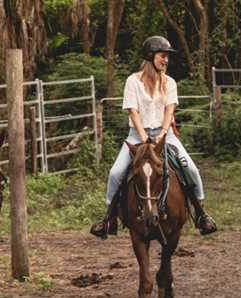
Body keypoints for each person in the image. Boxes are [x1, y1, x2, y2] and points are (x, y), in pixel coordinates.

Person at [90, 36, 217, 238]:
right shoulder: (133, 81)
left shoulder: (170, 83)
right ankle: (108, 219)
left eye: (167, 57)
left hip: (164, 135)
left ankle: (202, 214)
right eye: (162, 56)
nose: (165, 60)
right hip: (136, 136)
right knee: (115, 173)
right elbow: (133, 112)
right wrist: (144, 138)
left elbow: (169, 111)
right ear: (151, 56)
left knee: (189, 167)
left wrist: (163, 134)